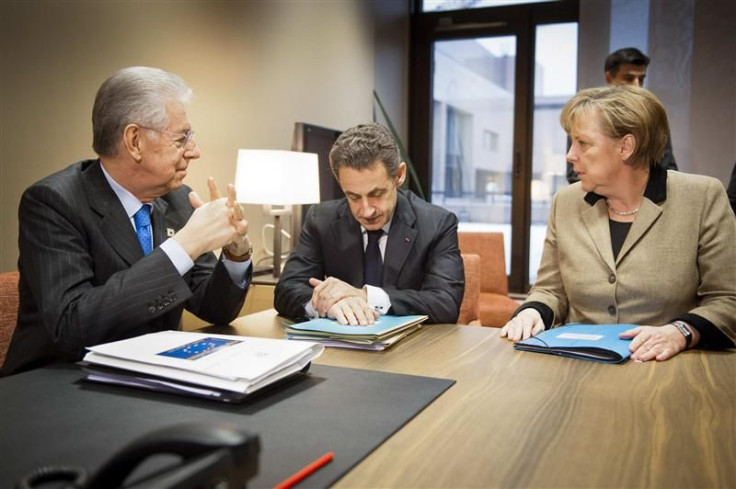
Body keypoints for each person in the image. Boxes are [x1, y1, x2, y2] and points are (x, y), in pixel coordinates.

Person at [2, 67, 253, 376]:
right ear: (134, 141)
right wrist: (185, 246)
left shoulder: (177, 199)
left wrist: (235, 253)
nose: (195, 152)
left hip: (151, 375)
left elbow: (215, 309)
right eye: (182, 138)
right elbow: (72, 325)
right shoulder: (54, 202)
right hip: (60, 383)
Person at [501, 85, 736, 362]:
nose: (570, 155)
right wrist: (532, 310)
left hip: (667, 367)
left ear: (626, 146)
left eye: (583, 143)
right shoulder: (565, 202)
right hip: (576, 365)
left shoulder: (702, 196)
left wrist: (681, 331)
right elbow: (550, 289)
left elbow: (727, 299)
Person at [274, 122, 464, 326]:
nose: (366, 210)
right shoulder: (321, 219)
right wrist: (329, 304)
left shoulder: (437, 223)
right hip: (341, 345)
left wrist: (366, 296)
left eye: (377, 194)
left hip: (412, 349)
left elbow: (446, 303)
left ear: (399, 175)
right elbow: (286, 290)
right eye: (353, 196)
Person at [566, 47, 678, 184]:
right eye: (629, 78)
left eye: (641, 79)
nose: (637, 85)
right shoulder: (585, 118)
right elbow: (573, 174)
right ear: (609, 78)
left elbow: (668, 169)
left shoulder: (653, 120)